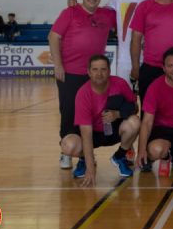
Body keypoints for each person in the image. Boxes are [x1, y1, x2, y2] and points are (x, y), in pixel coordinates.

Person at [49, 0, 117, 170]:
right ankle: (66, 152)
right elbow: (53, 37)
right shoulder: (69, 12)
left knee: (91, 115)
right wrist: (58, 64)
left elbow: (129, 13)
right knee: (69, 112)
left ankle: (85, 155)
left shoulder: (107, 15)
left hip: (95, 76)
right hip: (70, 73)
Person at [60, 54, 140, 187]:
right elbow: (86, 135)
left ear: (109, 71)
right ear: (88, 72)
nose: (99, 73)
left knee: (135, 122)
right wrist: (91, 170)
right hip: (92, 134)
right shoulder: (83, 94)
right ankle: (84, 160)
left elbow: (134, 107)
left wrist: (118, 114)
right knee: (68, 145)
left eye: (103, 69)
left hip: (113, 130)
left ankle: (120, 156)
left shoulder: (120, 84)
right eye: (95, 69)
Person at [106, 0, 153, 85]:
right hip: (124, 61)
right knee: (126, 100)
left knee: (148, 100)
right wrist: (75, 5)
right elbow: (94, 11)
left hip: (150, 61)